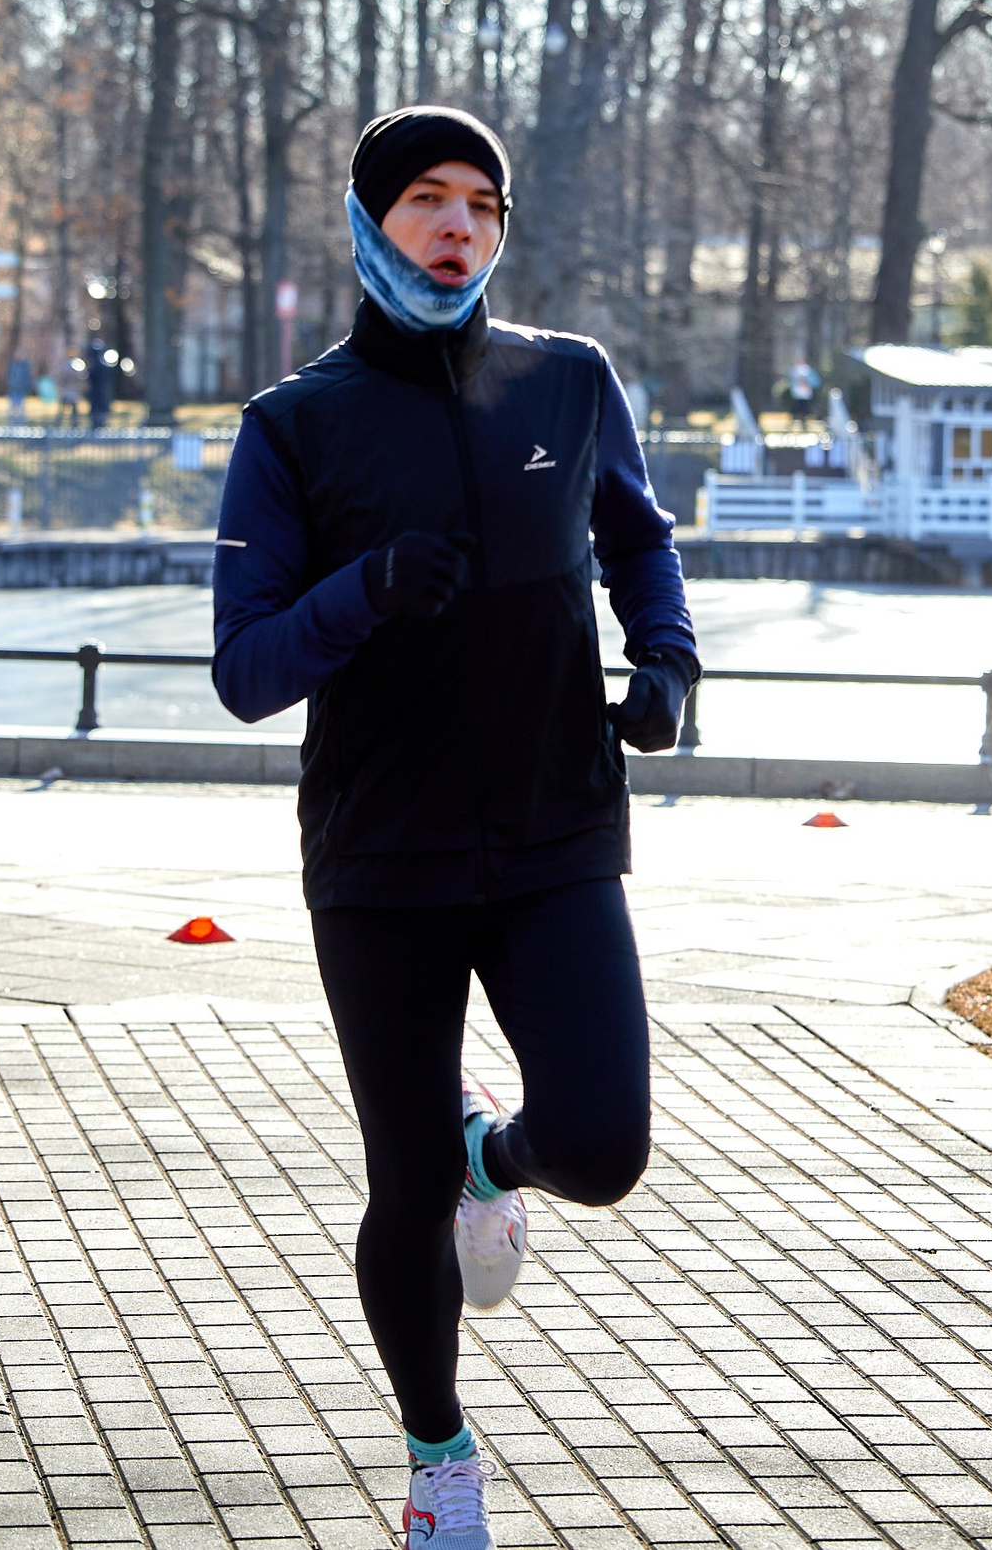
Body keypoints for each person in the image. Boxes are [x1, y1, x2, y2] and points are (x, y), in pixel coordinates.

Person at [212, 105, 699, 1550]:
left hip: (557, 830)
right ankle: (440, 1456)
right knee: (406, 1178)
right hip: (385, 861)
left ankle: (507, 1159)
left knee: (604, 1144)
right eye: (427, 199)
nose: (458, 227)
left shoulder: (567, 380)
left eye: (483, 204)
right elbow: (245, 670)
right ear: (370, 222)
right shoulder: (294, 426)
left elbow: (641, 536)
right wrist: (361, 591)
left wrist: (665, 660)